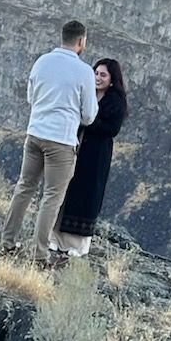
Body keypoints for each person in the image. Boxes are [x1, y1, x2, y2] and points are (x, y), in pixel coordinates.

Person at [0, 20, 97, 265]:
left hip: (35, 134)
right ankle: (39, 254)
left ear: (62, 37)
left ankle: (8, 242)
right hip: (61, 141)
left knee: (24, 187)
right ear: (81, 42)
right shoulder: (84, 71)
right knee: (52, 196)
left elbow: (31, 98)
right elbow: (88, 115)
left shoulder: (41, 62)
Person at [51, 57, 128, 257]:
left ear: (112, 80)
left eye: (103, 74)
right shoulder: (85, 93)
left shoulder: (115, 102)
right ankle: (55, 238)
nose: (98, 77)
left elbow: (112, 129)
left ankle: (77, 244)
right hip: (73, 146)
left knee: (86, 195)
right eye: (96, 73)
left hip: (95, 154)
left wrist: (88, 121)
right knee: (65, 190)